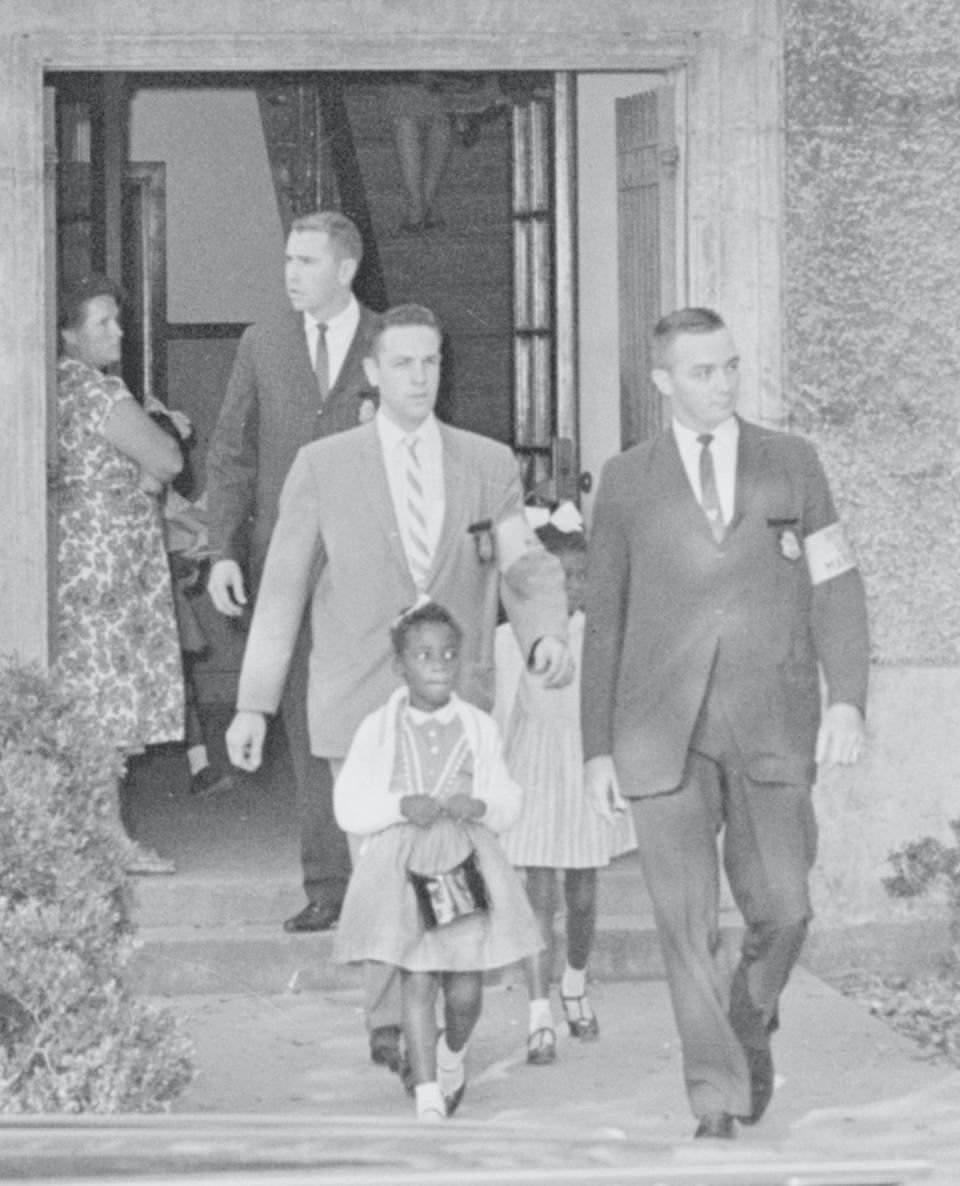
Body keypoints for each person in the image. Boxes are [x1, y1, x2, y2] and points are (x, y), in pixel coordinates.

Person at [226, 301, 572, 1082]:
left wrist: (547, 630)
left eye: (432, 363)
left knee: (448, 858)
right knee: (379, 864)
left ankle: (442, 1017)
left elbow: (520, 563)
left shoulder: (486, 463)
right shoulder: (324, 464)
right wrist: (253, 701)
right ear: (374, 374)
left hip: (455, 706)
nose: (420, 378)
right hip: (358, 702)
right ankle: (390, 1021)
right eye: (405, 364)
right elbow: (282, 588)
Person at [581, 307, 870, 1141]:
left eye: (731, 368)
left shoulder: (793, 463)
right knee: (684, 924)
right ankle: (714, 1093)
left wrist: (845, 695)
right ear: (664, 380)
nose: (723, 385)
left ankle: (750, 1013)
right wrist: (596, 746)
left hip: (771, 718)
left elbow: (835, 583)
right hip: (657, 731)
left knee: (785, 907)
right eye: (703, 372)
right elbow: (604, 619)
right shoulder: (627, 479)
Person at [205, 210, 379, 934]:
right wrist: (221, 549)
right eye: (287, 260)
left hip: (373, 564)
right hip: (289, 562)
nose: (290, 274)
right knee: (307, 721)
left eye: (306, 261)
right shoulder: (263, 342)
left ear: (345, 269)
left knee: (374, 720)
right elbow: (231, 452)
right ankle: (329, 883)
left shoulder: (390, 342)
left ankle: (388, 879)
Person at [333, 601, 543, 1121]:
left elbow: (509, 798)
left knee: (465, 989)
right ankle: (427, 1095)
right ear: (400, 666)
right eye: (424, 654)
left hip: (462, 867)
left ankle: (452, 1053)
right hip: (403, 870)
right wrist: (399, 805)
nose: (439, 664)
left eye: (449, 654)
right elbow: (348, 806)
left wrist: (483, 806)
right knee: (419, 977)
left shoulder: (477, 727)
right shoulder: (377, 731)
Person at [494, 502, 636, 1067]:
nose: (573, 590)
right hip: (534, 767)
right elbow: (504, 713)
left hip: (583, 764)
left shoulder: (604, 639)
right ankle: (537, 1011)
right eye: (562, 579)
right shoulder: (514, 641)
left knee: (581, 893)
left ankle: (574, 981)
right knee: (539, 897)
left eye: (582, 577)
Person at [55, 272, 186, 876]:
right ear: (69, 334)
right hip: (109, 554)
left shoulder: (56, 386)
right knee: (108, 698)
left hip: (79, 549)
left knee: (90, 695)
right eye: (102, 323)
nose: (117, 331)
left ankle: (91, 835)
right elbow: (166, 456)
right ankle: (110, 840)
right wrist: (153, 472)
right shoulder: (99, 392)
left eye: (117, 319)